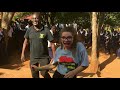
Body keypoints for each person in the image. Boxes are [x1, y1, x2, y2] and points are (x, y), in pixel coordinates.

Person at [21, 12, 56, 78]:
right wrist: (22, 53)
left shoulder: (46, 30)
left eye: (37, 18)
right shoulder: (29, 30)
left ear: (40, 19)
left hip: (44, 57)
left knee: (44, 73)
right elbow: (25, 41)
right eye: (33, 18)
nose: (35, 20)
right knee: (34, 75)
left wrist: (54, 56)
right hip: (33, 57)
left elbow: (52, 43)